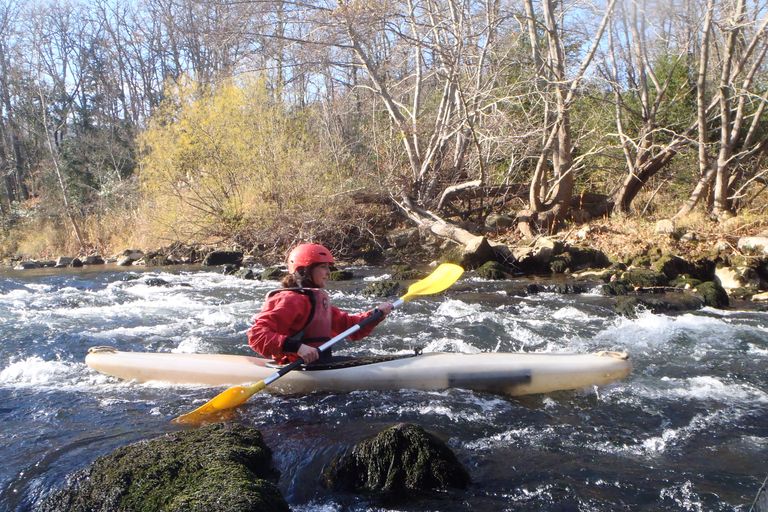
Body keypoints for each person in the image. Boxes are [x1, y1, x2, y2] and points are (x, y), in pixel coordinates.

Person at [247, 243, 393, 365]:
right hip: (295, 367)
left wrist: (376, 314)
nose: (328, 272)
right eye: (323, 267)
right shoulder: (290, 299)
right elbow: (257, 335)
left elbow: (350, 326)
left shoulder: (315, 299)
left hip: (319, 364)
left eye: (328, 267)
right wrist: (297, 347)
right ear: (305, 270)